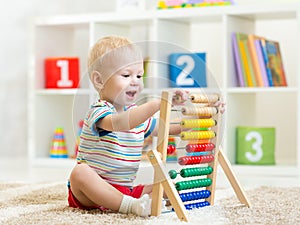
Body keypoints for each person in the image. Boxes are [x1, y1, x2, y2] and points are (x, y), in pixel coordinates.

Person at [67, 36, 189, 217]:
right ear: (99, 81)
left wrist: (195, 118)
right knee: (80, 173)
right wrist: (158, 103)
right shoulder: (99, 111)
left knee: (167, 187)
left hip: (124, 189)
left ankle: (132, 202)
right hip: (89, 193)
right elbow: (122, 123)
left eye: (139, 75)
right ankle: (130, 206)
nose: (135, 81)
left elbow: (167, 127)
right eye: (126, 75)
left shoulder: (136, 114)